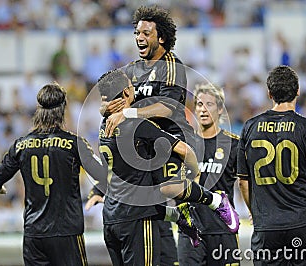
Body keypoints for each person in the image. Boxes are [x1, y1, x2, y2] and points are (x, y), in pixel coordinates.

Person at [101, 6, 238, 263]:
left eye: (146, 33)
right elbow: (110, 95)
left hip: (168, 140)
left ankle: (215, 201)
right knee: (141, 202)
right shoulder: (131, 69)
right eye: (137, 32)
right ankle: (181, 217)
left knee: (169, 188)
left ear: (161, 37)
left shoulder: (172, 66)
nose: (139, 37)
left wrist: (129, 114)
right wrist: (106, 107)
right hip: (142, 146)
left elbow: (168, 107)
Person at [87, 69, 238, 265]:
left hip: (111, 218)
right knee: (168, 186)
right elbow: (185, 151)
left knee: (157, 186)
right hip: (137, 218)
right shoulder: (139, 126)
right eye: (131, 87)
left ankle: (179, 214)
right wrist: (194, 172)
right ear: (125, 93)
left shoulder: (103, 125)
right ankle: (215, 201)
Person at [237, 65, 306, 265]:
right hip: (304, 224)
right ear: (298, 91)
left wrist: (255, 213)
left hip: (267, 227)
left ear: (269, 93)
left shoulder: (249, 128)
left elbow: (243, 182)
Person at [0, 82, 106, 266]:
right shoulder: (74, 144)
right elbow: (102, 174)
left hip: (34, 235)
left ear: (38, 110)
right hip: (66, 233)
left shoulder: (21, 145)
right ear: (63, 110)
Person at [178, 84, 240, 265]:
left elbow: (245, 182)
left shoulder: (233, 145)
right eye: (199, 104)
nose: (203, 110)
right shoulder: (183, 145)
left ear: (220, 109)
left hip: (222, 230)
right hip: (191, 231)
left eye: (209, 104)